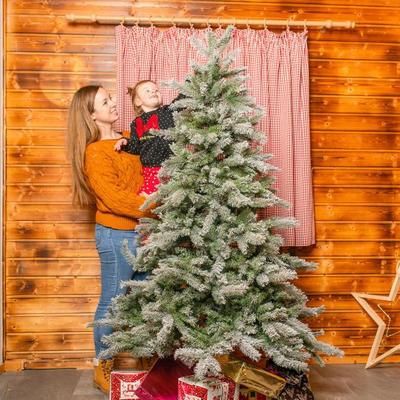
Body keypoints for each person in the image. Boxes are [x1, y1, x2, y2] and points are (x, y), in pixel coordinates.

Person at [67, 85, 151, 394]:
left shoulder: (128, 141)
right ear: (92, 115)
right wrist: (158, 207)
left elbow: (146, 177)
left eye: (111, 98)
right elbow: (116, 199)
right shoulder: (95, 152)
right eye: (106, 101)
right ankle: (102, 366)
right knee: (113, 301)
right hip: (116, 235)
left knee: (145, 298)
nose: (114, 103)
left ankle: (146, 361)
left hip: (142, 232)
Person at [115, 80, 184, 195]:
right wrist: (125, 142)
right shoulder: (136, 123)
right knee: (148, 199)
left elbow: (181, 101)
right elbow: (135, 147)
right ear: (138, 101)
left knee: (177, 196)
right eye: (147, 90)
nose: (153, 91)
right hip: (152, 169)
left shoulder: (167, 111)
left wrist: (189, 83)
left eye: (156, 90)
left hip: (174, 165)